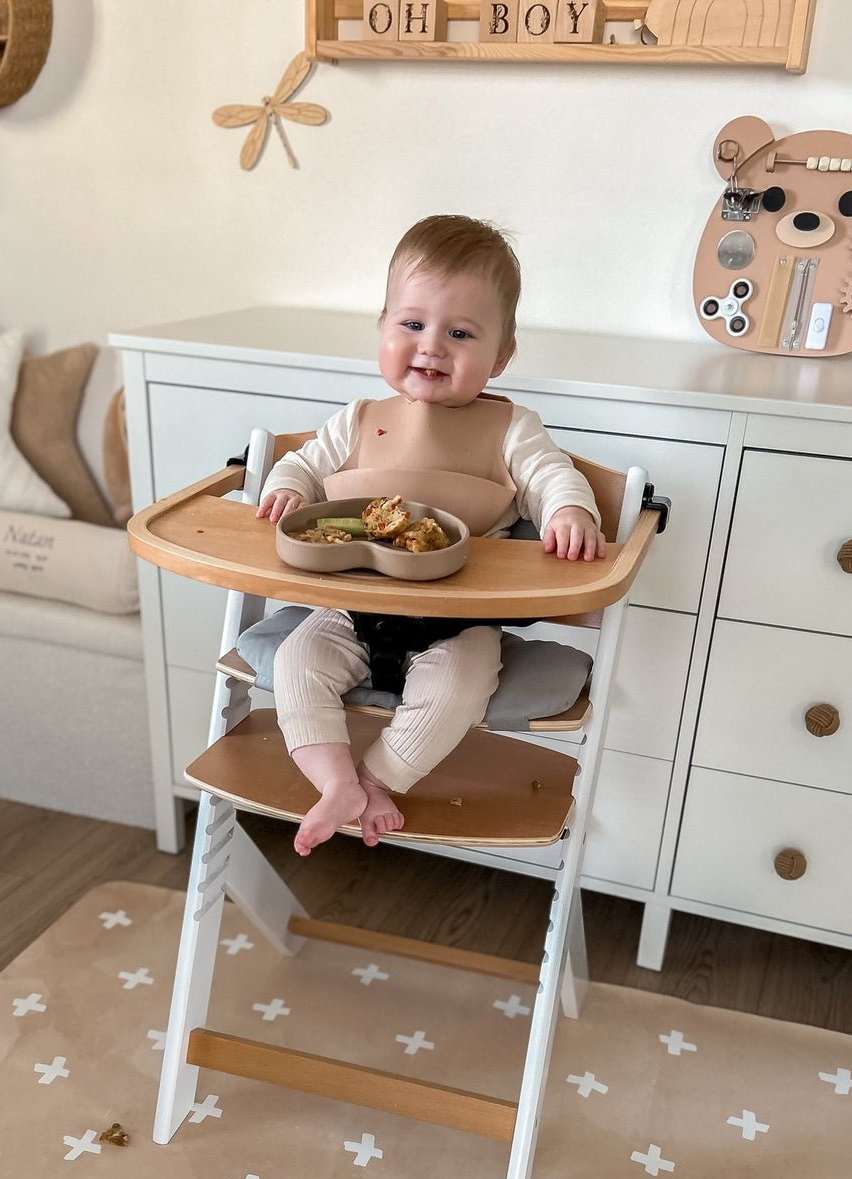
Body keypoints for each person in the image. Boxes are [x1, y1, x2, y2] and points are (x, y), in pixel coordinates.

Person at [256, 214, 605, 856]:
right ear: (383, 328)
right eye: (412, 324)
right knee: (293, 663)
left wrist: (568, 512)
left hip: (458, 621)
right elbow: (303, 464)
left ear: (501, 355)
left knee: (458, 691)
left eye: (461, 332)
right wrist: (289, 489)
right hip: (349, 606)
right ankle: (333, 780)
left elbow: (552, 474)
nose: (431, 346)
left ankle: (375, 779)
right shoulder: (357, 420)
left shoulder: (511, 430)